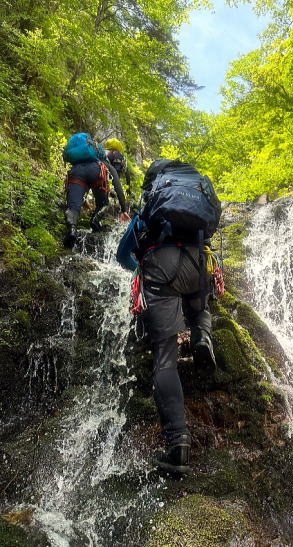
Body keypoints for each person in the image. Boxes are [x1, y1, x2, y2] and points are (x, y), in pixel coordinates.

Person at [116, 159, 221, 475]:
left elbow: (123, 253)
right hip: (198, 264)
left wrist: (139, 268)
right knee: (199, 307)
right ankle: (202, 335)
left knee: (165, 358)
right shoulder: (197, 203)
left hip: (161, 266)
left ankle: (178, 447)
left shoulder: (153, 203)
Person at [63, 135, 131, 248]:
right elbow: (116, 182)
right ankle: (95, 220)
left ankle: (72, 230)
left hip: (76, 172)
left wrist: (83, 200)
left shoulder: (79, 160)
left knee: (72, 207)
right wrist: (123, 209)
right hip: (97, 172)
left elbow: (82, 184)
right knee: (103, 204)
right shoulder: (103, 159)